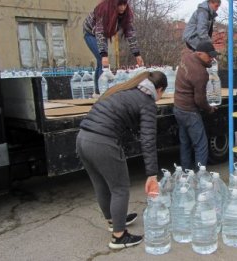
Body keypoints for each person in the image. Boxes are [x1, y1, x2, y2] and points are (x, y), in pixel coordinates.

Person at [76, 71, 166, 249]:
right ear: (159, 89)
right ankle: (119, 236)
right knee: (120, 188)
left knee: (101, 185)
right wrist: (152, 175)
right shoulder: (147, 102)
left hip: (82, 138)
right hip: (103, 142)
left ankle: (113, 220)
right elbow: (148, 141)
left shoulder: (123, 90)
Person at [173, 41, 218, 170]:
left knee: (185, 143)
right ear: (199, 53)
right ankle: (201, 175)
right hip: (189, 112)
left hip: (178, 107)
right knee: (201, 145)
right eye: (209, 56)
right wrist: (209, 108)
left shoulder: (186, 56)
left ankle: (186, 172)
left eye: (213, 56)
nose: (212, 59)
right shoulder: (200, 73)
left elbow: (185, 48)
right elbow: (199, 100)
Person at [83, 0, 144, 94]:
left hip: (103, 35)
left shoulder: (127, 14)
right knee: (102, 60)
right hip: (90, 33)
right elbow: (100, 33)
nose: (122, 8)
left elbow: (130, 34)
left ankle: (97, 91)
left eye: (124, 4)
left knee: (101, 63)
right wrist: (104, 54)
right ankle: (102, 92)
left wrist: (137, 54)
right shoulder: (103, 10)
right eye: (120, 5)